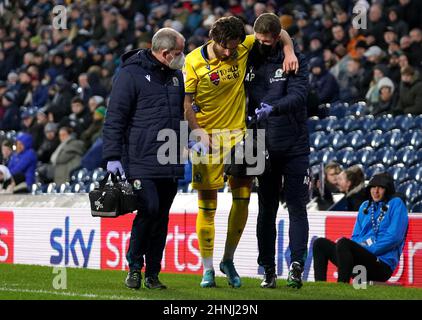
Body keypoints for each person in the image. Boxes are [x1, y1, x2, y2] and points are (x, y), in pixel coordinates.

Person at [183, 15, 298, 288]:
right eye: (225, 48)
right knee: (207, 206)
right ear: (213, 40)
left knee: (243, 199)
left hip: (238, 136)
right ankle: (208, 269)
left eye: (233, 48)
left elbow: (277, 31)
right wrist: (196, 130)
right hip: (208, 139)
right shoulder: (192, 62)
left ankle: (228, 258)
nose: (229, 52)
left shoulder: (244, 45)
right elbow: (187, 103)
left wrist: (290, 50)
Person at [103, 28, 186, 290]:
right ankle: (135, 267)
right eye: (179, 53)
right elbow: (115, 117)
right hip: (140, 159)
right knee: (148, 209)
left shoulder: (176, 76)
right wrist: (112, 156)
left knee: (161, 217)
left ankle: (152, 274)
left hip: (170, 159)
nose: (182, 58)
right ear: (164, 53)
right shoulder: (130, 75)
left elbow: (178, 116)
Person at [243, 13, 310, 289]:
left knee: (296, 206)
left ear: (277, 37)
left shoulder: (294, 60)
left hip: (294, 143)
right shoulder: (248, 55)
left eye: (269, 41)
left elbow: (299, 96)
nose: (264, 45)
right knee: (265, 209)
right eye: (260, 40)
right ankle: (267, 268)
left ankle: (296, 266)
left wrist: (274, 108)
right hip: (262, 144)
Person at [313, 172, 408, 283]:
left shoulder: (396, 204)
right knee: (319, 244)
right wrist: (360, 249)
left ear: (387, 189)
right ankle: (320, 288)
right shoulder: (365, 206)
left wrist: (366, 249)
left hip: (382, 264)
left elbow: (394, 237)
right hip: (361, 258)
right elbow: (356, 236)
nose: (375, 191)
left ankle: (341, 287)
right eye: (373, 187)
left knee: (344, 243)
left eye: (380, 188)